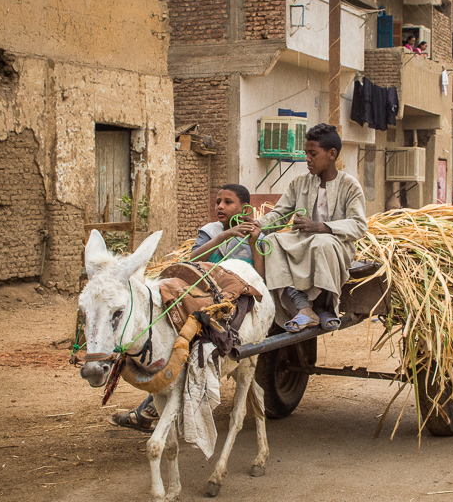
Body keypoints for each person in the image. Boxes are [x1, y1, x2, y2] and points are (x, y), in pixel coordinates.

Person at [111, 183, 256, 432]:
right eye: (217, 201)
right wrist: (222, 237)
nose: (220, 206)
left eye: (227, 202)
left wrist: (253, 242)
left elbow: (260, 276)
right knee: (177, 337)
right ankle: (153, 402)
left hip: (238, 296)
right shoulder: (209, 231)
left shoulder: (255, 234)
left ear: (244, 208)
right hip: (203, 293)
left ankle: (157, 406)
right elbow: (191, 261)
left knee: (203, 343)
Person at [241, 123, 367, 333]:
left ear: (331, 154)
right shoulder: (299, 183)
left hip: (336, 246)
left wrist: (319, 226)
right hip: (301, 242)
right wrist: (257, 224)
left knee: (321, 242)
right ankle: (303, 307)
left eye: (312, 153)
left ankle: (324, 307)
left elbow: (359, 225)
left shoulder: (350, 185)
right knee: (270, 242)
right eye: (306, 153)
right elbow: (279, 214)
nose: (307, 158)